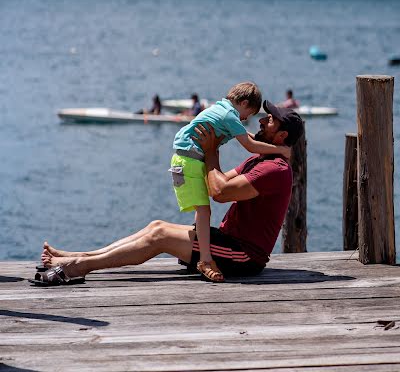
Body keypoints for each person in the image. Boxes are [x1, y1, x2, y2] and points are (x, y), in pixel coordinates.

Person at [37, 100, 304, 285]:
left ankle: (80, 267)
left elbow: (220, 192)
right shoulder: (260, 160)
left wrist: (211, 151)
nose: (264, 119)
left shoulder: (276, 169)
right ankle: (82, 256)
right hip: (226, 240)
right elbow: (220, 183)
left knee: (160, 237)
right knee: (157, 226)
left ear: (282, 136)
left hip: (244, 256)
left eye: (271, 120)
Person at [171, 81, 291, 283]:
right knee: (203, 211)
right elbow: (250, 145)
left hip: (186, 157)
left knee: (199, 211)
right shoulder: (230, 116)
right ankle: (206, 259)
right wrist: (280, 150)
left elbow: (245, 137)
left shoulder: (220, 110)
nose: (247, 119)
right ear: (243, 103)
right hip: (190, 159)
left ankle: (203, 249)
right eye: (249, 114)